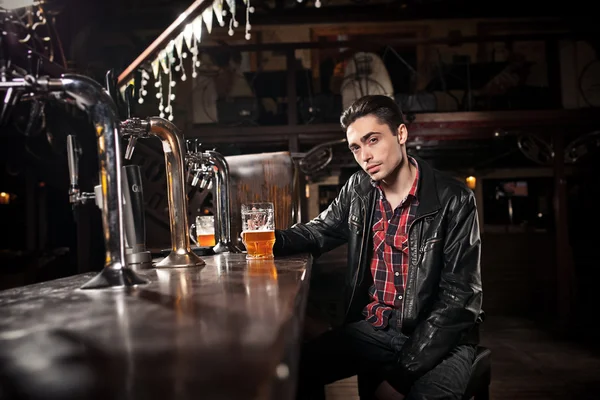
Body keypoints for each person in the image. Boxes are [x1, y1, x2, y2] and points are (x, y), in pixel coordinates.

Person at [273, 95, 484, 400]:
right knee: (291, 372)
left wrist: (400, 377)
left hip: (441, 336)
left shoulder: (454, 199)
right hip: (377, 329)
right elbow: (318, 232)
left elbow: (459, 299)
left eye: (373, 140)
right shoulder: (358, 189)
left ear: (401, 134)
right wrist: (266, 239)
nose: (365, 156)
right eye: (356, 147)